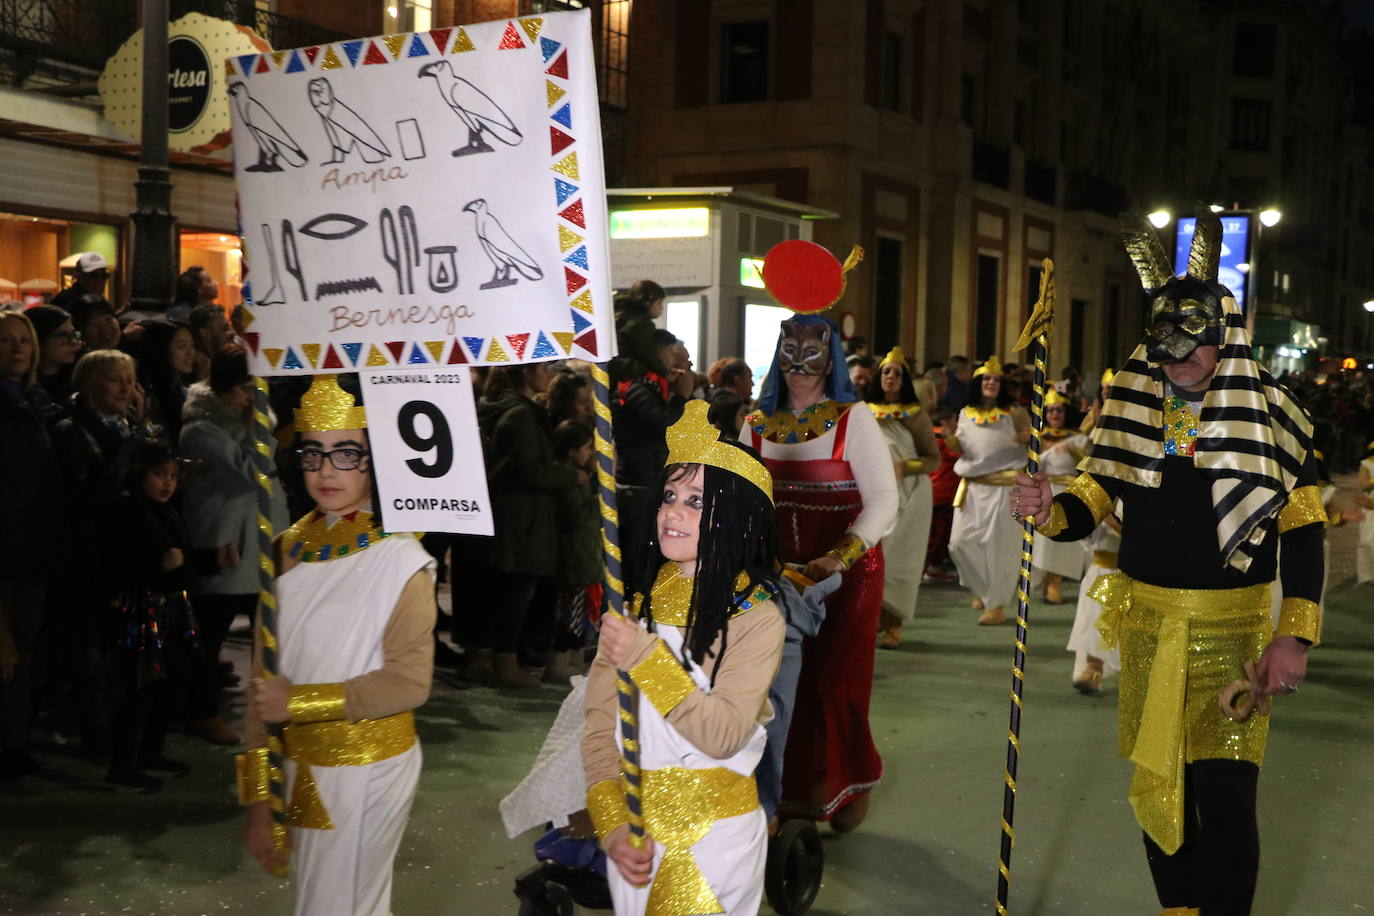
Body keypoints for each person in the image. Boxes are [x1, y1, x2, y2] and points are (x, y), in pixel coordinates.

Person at [1011, 210, 1322, 914]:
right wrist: (1047, 507)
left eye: (1194, 342)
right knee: (1160, 784)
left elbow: (1303, 531)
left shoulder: (1275, 413)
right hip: (1148, 630)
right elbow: (1094, 495)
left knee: (1226, 795)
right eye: (1167, 343)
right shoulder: (1132, 400)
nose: (1178, 357)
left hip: (1234, 635)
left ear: (1225, 338)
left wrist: (1293, 636)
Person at [239, 374, 437, 916]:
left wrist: (299, 703)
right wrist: (258, 792)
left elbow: (409, 682)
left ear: (377, 462)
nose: (327, 470)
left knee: (345, 902)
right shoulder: (283, 549)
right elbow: (262, 682)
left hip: (371, 765)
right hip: (302, 765)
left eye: (347, 454)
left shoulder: (400, 557)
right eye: (314, 454)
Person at [583, 399, 784, 915]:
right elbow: (600, 725)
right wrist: (610, 826)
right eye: (669, 494)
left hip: (716, 844)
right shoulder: (638, 607)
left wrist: (643, 657)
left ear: (737, 519)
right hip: (638, 838)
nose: (673, 510)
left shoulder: (757, 619)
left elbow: (722, 735)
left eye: (696, 500)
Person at [743, 313, 898, 833]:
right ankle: (779, 798)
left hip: (848, 576)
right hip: (776, 577)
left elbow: (883, 501)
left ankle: (845, 783)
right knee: (774, 689)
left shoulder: (855, 420)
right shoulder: (755, 424)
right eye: (790, 356)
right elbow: (738, 499)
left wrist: (840, 556)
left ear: (828, 359)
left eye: (811, 358)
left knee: (833, 685)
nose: (799, 370)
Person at [180, 347, 288, 745]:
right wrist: (260, 424)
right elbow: (253, 471)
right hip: (224, 546)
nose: (251, 398)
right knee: (210, 635)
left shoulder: (242, 425)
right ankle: (201, 711)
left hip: (258, 545)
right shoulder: (201, 430)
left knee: (270, 635)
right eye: (245, 390)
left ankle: (268, 707)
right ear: (223, 389)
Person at [474, 363, 585, 688]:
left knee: (510, 589)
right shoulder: (521, 415)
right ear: (526, 373)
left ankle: (495, 657)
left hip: (519, 515)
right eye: (544, 368)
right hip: (522, 516)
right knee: (517, 589)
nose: (550, 375)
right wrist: (568, 475)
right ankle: (505, 662)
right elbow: (525, 469)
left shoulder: (514, 410)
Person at [102, 441, 200, 791]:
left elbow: (182, 557)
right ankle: (123, 763)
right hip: (140, 613)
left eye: (173, 476)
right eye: (159, 474)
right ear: (139, 474)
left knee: (170, 681)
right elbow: (117, 562)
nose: (167, 483)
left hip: (169, 610)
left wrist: (211, 559)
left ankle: (149, 751)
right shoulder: (127, 511)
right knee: (140, 687)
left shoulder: (168, 510)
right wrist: (158, 564)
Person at [0, 311, 66, 779]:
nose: (17, 349)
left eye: (23, 340)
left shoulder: (37, 401)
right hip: (5, 543)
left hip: (34, 544)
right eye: (5, 341)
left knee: (23, 651)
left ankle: (14, 743)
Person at [944, 355, 1030, 625]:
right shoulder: (965, 413)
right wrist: (950, 438)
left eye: (996, 379)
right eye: (986, 379)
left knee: (999, 549)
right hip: (972, 488)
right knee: (959, 543)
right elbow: (964, 448)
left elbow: (1035, 442)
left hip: (1004, 489)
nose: (991, 383)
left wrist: (1029, 437)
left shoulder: (1014, 412)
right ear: (978, 383)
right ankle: (982, 589)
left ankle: (996, 604)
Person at [864, 347, 940, 649]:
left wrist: (905, 466)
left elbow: (932, 459)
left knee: (899, 560)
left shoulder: (916, 414)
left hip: (911, 495)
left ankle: (894, 625)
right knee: (871, 557)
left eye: (897, 373)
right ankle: (871, 622)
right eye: (886, 372)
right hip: (873, 493)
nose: (891, 377)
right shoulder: (863, 411)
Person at [612, 329, 693, 572]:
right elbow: (667, 430)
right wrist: (680, 398)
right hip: (637, 488)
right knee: (638, 562)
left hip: (647, 484)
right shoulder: (636, 389)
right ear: (656, 354)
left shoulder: (651, 389)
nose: (676, 363)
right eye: (671, 355)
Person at [546, 418, 601, 683]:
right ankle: (560, 661)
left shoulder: (576, 479)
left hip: (581, 557)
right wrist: (598, 492)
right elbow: (575, 518)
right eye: (587, 447)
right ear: (571, 450)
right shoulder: (568, 481)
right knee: (568, 615)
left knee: (576, 614)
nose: (590, 453)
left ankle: (573, 658)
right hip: (572, 558)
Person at [1031, 389, 1090, 605]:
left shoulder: (1075, 438)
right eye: (1051, 411)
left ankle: (1055, 580)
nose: (1055, 415)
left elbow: (1087, 461)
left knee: (1062, 539)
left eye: (1059, 411)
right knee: (1043, 541)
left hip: (1067, 493)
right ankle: (1046, 579)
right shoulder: (1036, 438)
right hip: (1044, 493)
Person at [137, 320, 196, 445]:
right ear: (161, 348)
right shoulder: (145, 391)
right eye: (182, 346)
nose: (191, 353)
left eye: (192, 345)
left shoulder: (182, 389)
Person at [609, 279, 669, 385]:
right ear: (647, 302)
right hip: (625, 372)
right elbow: (647, 354)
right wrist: (666, 374)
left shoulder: (621, 315)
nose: (661, 308)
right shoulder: (641, 324)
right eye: (659, 303)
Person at [27, 305, 81, 408]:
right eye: (63, 336)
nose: (73, 342)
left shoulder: (80, 380)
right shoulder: (21, 384)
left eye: (73, 334)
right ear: (38, 342)